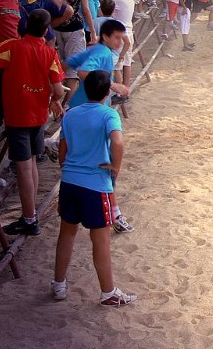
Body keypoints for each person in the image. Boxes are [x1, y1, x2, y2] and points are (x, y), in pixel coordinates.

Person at [0, 9, 65, 235]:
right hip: (38, 115)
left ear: (26, 25)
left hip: (18, 116)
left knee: (23, 167)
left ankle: (29, 220)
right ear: (46, 31)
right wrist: (54, 101)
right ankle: (31, 214)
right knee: (32, 163)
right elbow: (59, 89)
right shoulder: (49, 53)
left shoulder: (12, 46)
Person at [52, 70, 138, 306]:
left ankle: (59, 284)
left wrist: (69, 169)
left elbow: (62, 152)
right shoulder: (109, 114)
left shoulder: (71, 114)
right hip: (95, 185)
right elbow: (118, 141)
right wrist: (115, 167)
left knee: (66, 234)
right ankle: (108, 292)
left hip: (70, 182)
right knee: (100, 240)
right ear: (107, 92)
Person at [51, 0, 95, 103]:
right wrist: (92, 31)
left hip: (56, 26)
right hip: (74, 27)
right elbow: (86, 9)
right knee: (73, 69)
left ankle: (57, 96)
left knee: (61, 61)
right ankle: (65, 105)